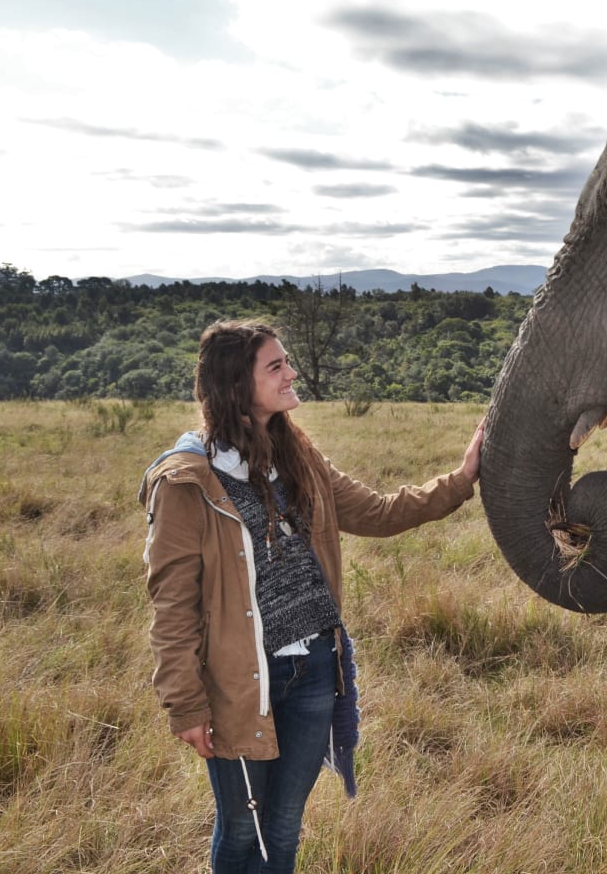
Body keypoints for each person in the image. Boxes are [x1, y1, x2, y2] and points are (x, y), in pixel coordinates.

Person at [139, 319, 482, 873]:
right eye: (275, 366)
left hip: (316, 669)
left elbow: (379, 511)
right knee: (243, 831)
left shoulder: (297, 457)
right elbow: (172, 608)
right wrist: (185, 705)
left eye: (287, 361)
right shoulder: (185, 482)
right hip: (241, 682)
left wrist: (463, 478)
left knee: (283, 827)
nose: (291, 372)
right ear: (235, 384)